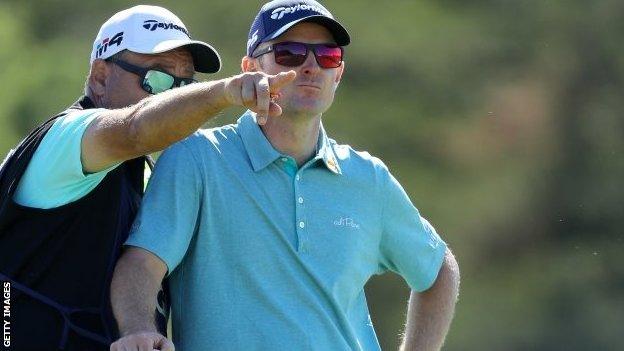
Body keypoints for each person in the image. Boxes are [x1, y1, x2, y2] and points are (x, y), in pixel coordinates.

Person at [110, 1, 460, 350]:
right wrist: (138, 329)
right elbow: (141, 264)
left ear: (338, 74)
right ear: (249, 67)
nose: (311, 67)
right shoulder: (196, 159)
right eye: (289, 53)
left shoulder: (369, 179)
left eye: (327, 56)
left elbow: (438, 270)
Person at [0, 4, 295, 350]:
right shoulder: (67, 137)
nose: (173, 96)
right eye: (157, 79)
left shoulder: (145, 169)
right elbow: (137, 128)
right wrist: (226, 92)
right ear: (100, 77)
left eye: (185, 85)